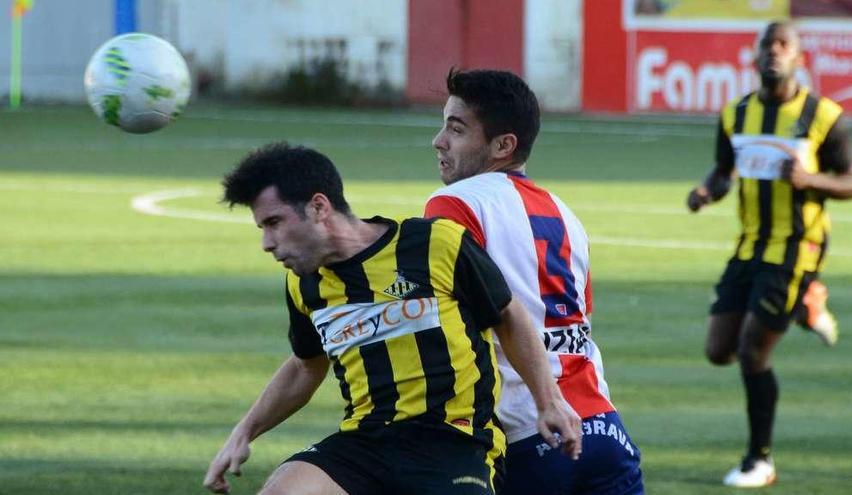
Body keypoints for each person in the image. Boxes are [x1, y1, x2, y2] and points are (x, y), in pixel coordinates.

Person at [203, 143, 582, 495]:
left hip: (454, 442)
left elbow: (509, 316)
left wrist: (549, 401)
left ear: (319, 207)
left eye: (274, 222)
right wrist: (244, 432)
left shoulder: (436, 243)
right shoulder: (305, 285)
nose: (267, 243)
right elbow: (306, 366)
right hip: (364, 444)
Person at [425, 69, 644, 495]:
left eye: (456, 128)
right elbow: (577, 322)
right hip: (604, 430)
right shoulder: (565, 212)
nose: (439, 140)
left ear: (503, 145)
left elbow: (445, 324)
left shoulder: (454, 205)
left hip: (528, 434)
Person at [686, 21, 852, 487]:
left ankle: (759, 460)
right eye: (768, 45)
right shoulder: (735, 114)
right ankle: (808, 305)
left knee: (752, 352)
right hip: (748, 246)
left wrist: (812, 180)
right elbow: (726, 170)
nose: (775, 52)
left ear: (800, 59)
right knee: (717, 350)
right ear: (755, 56)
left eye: (784, 45)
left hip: (796, 248)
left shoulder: (823, 116)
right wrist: (708, 190)